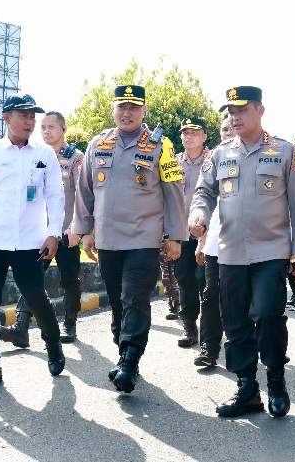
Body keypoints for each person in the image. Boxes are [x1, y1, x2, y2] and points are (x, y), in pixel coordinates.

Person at [189, 86, 295, 418]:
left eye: (242, 110)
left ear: (260, 110)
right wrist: (198, 216)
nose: (235, 117)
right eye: (231, 111)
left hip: (271, 251)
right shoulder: (219, 155)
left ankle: (275, 379)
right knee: (235, 321)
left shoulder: (285, 151)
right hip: (230, 252)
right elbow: (204, 192)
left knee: (269, 314)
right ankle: (247, 387)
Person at [72, 85, 187, 394]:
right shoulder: (98, 144)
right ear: (113, 110)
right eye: (121, 107)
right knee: (118, 301)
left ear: (143, 111)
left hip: (144, 238)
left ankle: (130, 360)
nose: (127, 113)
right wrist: (84, 231)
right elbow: (85, 191)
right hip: (107, 238)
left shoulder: (160, 145)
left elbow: (174, 192)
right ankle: (125, 354)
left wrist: (176, 236)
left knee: (135, 297)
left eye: (134, 107)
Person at [0, 94, 66, 390]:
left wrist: (54, 233)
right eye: (24, 115)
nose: (30, 121)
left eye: (33, 116)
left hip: (30, 243)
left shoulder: (44, 154)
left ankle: (53, 345)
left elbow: (55, 196)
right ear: (7, 118)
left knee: (36, 298)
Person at [0, 111, 86, 347]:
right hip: (40, 233)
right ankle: (21, 327)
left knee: (69, 280)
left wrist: (77, 228)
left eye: (52, 127)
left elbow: (83, 195)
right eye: (43, 127)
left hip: (66, 231)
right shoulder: (36, 155)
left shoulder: (75, 158)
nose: (46, 131)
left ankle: (70, 322)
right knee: (32, 278)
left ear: (64, 129)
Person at [193, 111, 235, 367]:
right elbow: (206, 202)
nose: (228, 133)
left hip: (247, 244)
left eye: (232, 128)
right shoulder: (215, 158)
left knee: (242, 298)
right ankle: (209, 347)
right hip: (216, 240)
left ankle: (245, 342)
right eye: (224, 129)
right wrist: (202, 241)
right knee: (210, 295)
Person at [174, 117, 210, 348]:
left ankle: (210, 329)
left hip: (211, 234)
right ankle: (189, 327)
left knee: (206, 281)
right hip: (182, 233)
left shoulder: (214, 161)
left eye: (194, 132)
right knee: (185, 280)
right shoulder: (173, 163)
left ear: (204, 136)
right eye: (185, 132)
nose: (189, 136)